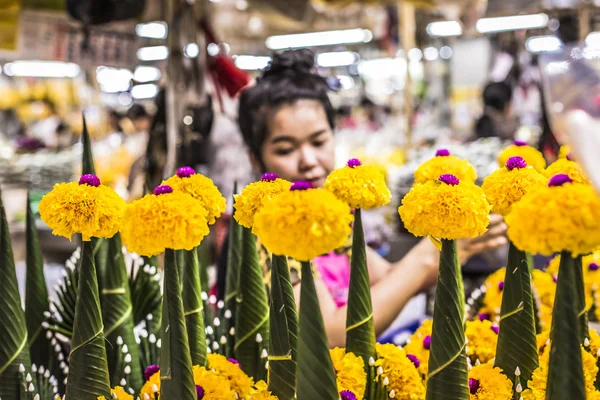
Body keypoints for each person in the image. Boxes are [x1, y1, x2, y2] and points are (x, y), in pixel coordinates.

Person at [221, 49, 507, 347]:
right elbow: (329, 334)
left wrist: (452, 243)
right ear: (256, 159)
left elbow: (389, 278)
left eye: (318, 141)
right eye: (285, 149)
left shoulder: (327, 220)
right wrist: (425, 259)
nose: (308, 160)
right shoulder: (265, 232)